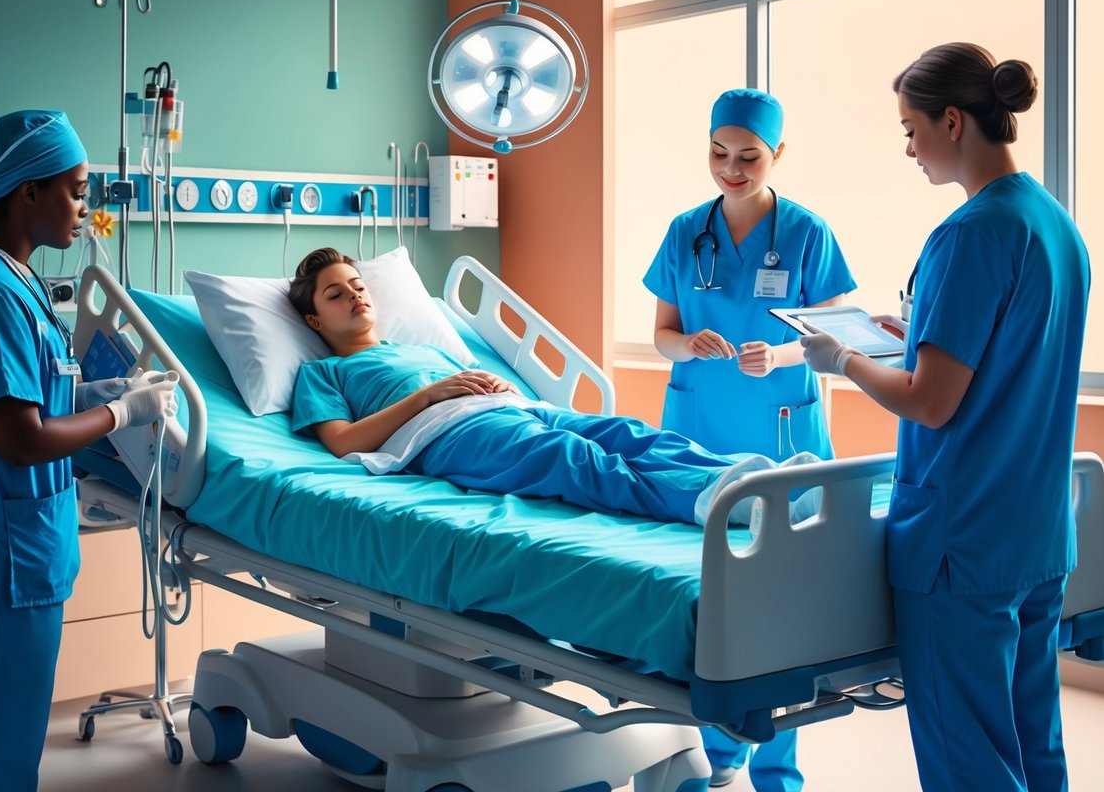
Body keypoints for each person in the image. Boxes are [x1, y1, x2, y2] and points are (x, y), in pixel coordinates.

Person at [800, 43, 1089, 791]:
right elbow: (1008, 354)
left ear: (952, 121)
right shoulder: (1053, 223)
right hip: (1030, 533)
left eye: (910, 128)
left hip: (959, 542)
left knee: (970, 761)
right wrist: (912, 337)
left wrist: (843, 361)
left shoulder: (967, 234)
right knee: (1030, 743)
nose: (907, 148)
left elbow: (930, 402)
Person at [0, 110, 179, 792]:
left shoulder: (8, 278)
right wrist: (122, 411)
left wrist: (95, 394)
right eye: (77, 190)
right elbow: (20, 438)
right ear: (28, 192)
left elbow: (32, 398)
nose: (87, 208)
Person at [287, 247, 820, 529]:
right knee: (577, 459)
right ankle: (731, 505)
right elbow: (343, 442)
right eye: (336, 295)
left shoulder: (422, 347)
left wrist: (481, 386)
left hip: (512, 408)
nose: (356, 297)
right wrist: (430, 395)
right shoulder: (323, 373)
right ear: (314, 321)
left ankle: (762, 481)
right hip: (445, 437)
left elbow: (461, 380)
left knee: (628, 434)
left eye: (358, 286)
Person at [643, 88, 856, 790]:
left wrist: (784, 353)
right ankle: (718, 752)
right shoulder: (683, 231)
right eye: (717, 154)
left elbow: (833, 333)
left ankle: (775, 764)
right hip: (700, 423)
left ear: (777, 155)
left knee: (780, 597)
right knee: (711, 595)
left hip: (780, 422)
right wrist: (685, 344)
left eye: (747, 157)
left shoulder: (805, 233)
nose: (730, 169)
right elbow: (662, 334)